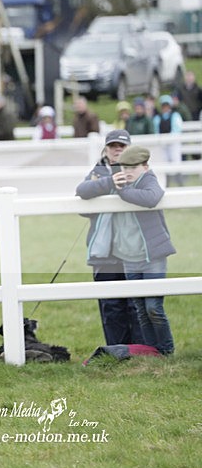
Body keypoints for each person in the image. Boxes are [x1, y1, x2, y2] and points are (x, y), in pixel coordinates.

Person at [76, 130, 144, 346]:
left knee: (136, 303)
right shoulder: (98, 171)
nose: (117, 150)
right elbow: (82, 192)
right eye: (113, 146)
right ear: (105, 149)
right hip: (104, 252)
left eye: (122, 146)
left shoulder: (141, 171)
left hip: (133, 248)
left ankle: (139, 352)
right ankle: (116, 351)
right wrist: (110, 182)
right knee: (111, 304)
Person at [114, 145, 176, 355]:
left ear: (145, 166)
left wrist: (123, 191)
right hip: (129, 255)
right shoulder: (121, 182)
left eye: (133, 167)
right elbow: (84, 190)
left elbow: (151, 198)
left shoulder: (148, 180)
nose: (128, 171)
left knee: (153, 308)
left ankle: (166, 351)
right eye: (124, 167)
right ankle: (152, 352)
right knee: (140, 308)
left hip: (153, 255)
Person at [152, 94, 184, 186]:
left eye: (167, 105)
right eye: (163, 105)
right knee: (163, 163)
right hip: (162, 144)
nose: (165, 108)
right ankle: (167, 184)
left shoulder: (175, 116)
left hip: (173, 143)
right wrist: (162, 140)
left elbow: (177, 129)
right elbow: (156, 131)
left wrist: (169, 138)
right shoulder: (157, 118)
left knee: (176, 162)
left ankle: (180, 183)